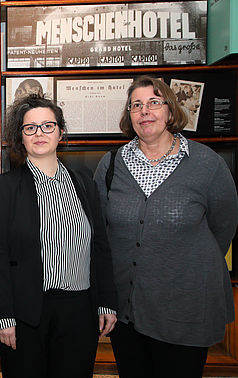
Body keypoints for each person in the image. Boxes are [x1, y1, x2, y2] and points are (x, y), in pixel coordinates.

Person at [94, 76, 238, 378]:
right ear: (129, 115)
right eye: (136, 105)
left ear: (170, 111)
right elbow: (101, 233)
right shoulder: (111, 165)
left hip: (184, 310)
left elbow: (223, 227)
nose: (145, 111)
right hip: (127, 311)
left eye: (154, 103)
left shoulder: (206, 164)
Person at [0, 94, 117, 377]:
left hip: (79, 312)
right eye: (30, 127)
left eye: (48, 125)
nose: (39, 133)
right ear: (21, 137)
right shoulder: (8, 187)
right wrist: (3, 316)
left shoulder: (83, 182)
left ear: (61, 132)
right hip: (26, 314)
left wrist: (106, 301)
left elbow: (100, 246)